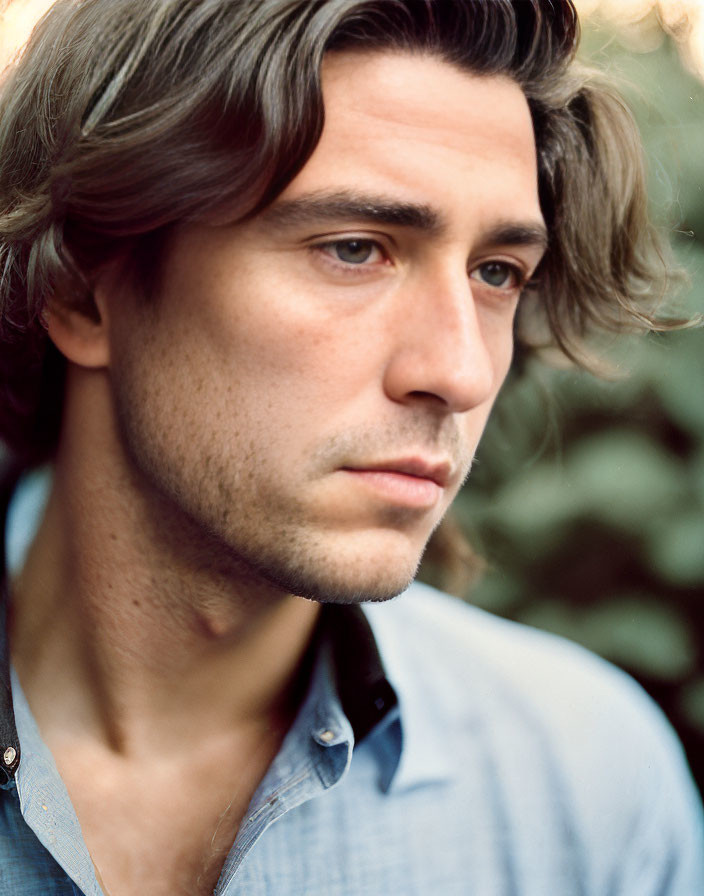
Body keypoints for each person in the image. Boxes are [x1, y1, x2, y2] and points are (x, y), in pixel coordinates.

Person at [0, 0, 701, 893]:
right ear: (84, 290)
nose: (459, 371)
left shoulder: (588, 792)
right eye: (354, 248)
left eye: (497, 273)